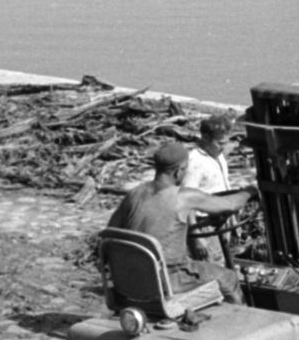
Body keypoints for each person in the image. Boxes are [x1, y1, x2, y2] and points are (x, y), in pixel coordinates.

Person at [105, 141, 257, 305]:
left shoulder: (134, 193)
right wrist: (251, 191)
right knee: (230, 278)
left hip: (129, 278)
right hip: (169, 279)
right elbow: (231, 204)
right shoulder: (183, 197)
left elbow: (109, 232)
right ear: (179, 171)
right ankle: (239, 323)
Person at [182, 113, 239, 262]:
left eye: (226, 142)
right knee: (213, 265)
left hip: (222, 219)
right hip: (206, 224)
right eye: (220, 143)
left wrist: (232, 218)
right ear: (206, 138)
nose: (224, 148)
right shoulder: (195, 163)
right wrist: (196, 238)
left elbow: (223, 186)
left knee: (226, 261)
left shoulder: (217, 154)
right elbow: (186, 201)